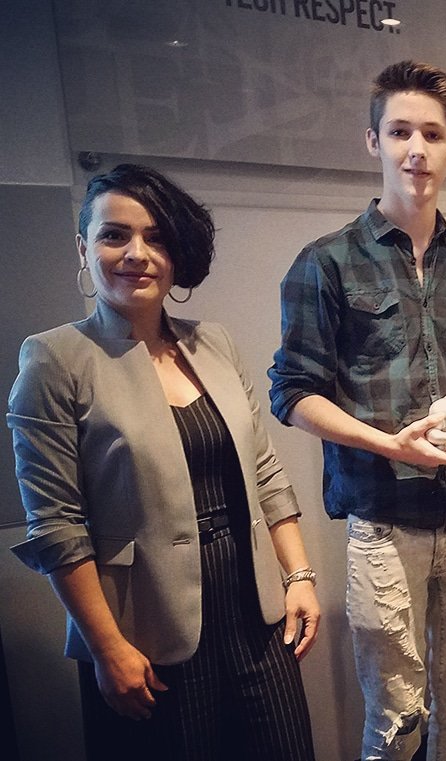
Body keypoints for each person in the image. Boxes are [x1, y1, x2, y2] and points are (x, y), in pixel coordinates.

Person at [7, 164, 319, 761]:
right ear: (84, 248)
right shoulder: (54, 359)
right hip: (145, 630)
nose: (137, 253)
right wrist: (107, 648)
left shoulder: (214, 342)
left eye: (156, 237)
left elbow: (263, 469)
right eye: (114, 235)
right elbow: (56, 527)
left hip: (254, 611)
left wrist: (298, 574)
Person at [267, 61, 446, 761]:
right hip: (382, 519)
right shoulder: (327, 263)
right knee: (397, 720)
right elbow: (293, 393)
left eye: (431, 134)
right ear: (374, 141)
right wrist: (390, 444)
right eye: (400, 131)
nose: (416, 149)